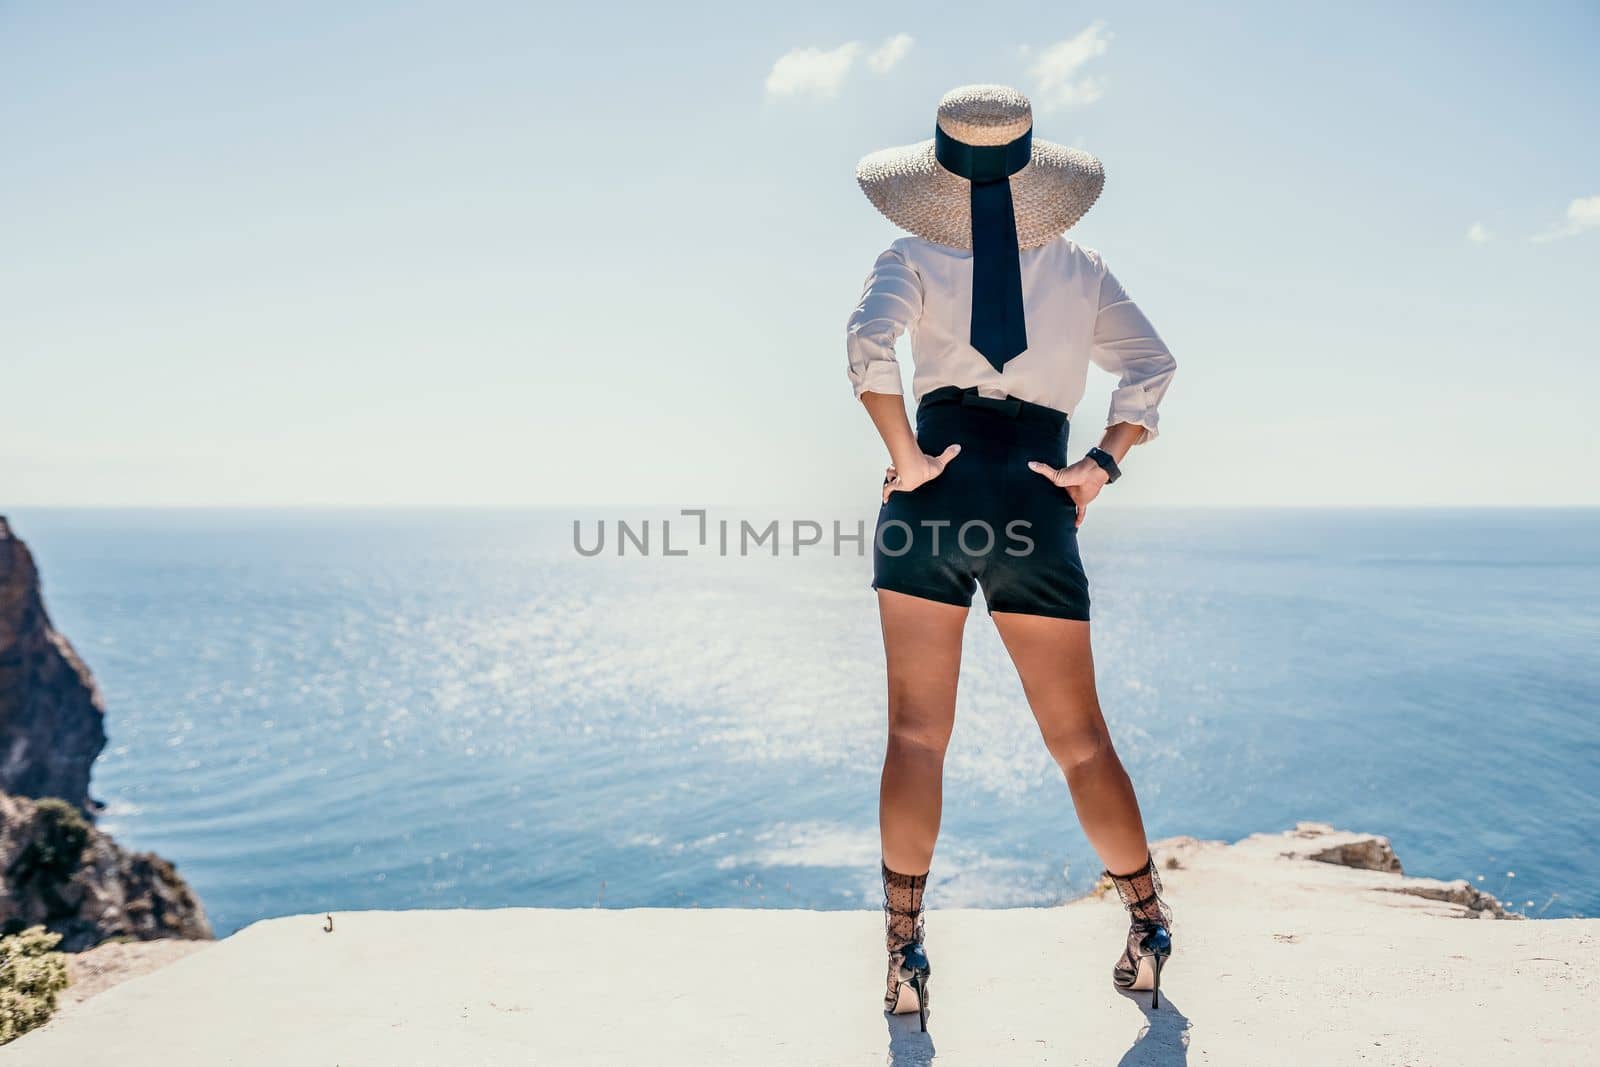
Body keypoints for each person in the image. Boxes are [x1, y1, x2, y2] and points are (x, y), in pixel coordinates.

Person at [846, 84, 1178, 1030]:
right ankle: (1148, 929)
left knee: (916, 734)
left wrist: (906, 458)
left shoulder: (909, 254)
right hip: (1036, 490)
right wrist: (1100, 465)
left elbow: (868, 348)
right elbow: (1151, 368)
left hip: (934, 492)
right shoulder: (1081, 268)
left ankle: (905, 955)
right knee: (1082, 743)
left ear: (941, 175)